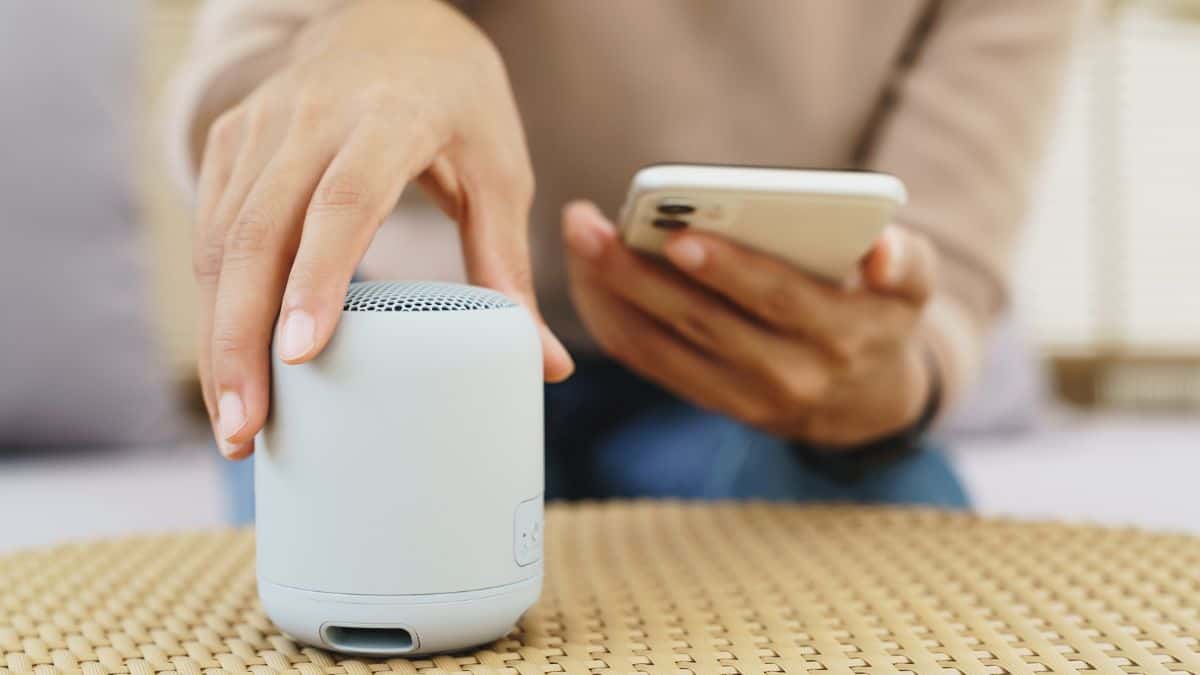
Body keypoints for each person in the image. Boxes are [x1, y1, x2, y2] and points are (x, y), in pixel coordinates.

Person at [167, 0, 1080, 520]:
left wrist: (880, 378)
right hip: (397, 338)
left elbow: (944, 272)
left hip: (760, 378)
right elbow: (235, 103)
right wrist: (357, 33)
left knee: (905, 560)